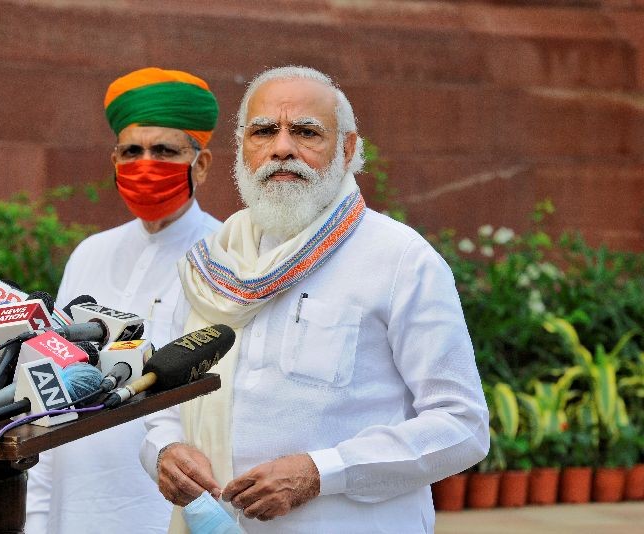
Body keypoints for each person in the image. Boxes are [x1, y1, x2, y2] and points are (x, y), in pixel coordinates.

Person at [140, 66, 490, 533]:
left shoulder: (399, 259)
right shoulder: (211, 264)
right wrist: (164, 450)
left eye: (306, 132)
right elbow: (162, 398)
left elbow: (462, 426)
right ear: (243, 148)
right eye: (264, 131)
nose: (282, 148)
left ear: (347, 149)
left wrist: (322, 473)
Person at [25, 67, 222, 534]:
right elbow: (50, 388)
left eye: (165, 150)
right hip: (72, 501)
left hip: (167, 506)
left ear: (202, 164)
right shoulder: (90, 253)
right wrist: (34, 515)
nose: (145, 163)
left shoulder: (226, 257)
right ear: (114, 160)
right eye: (132, 151)